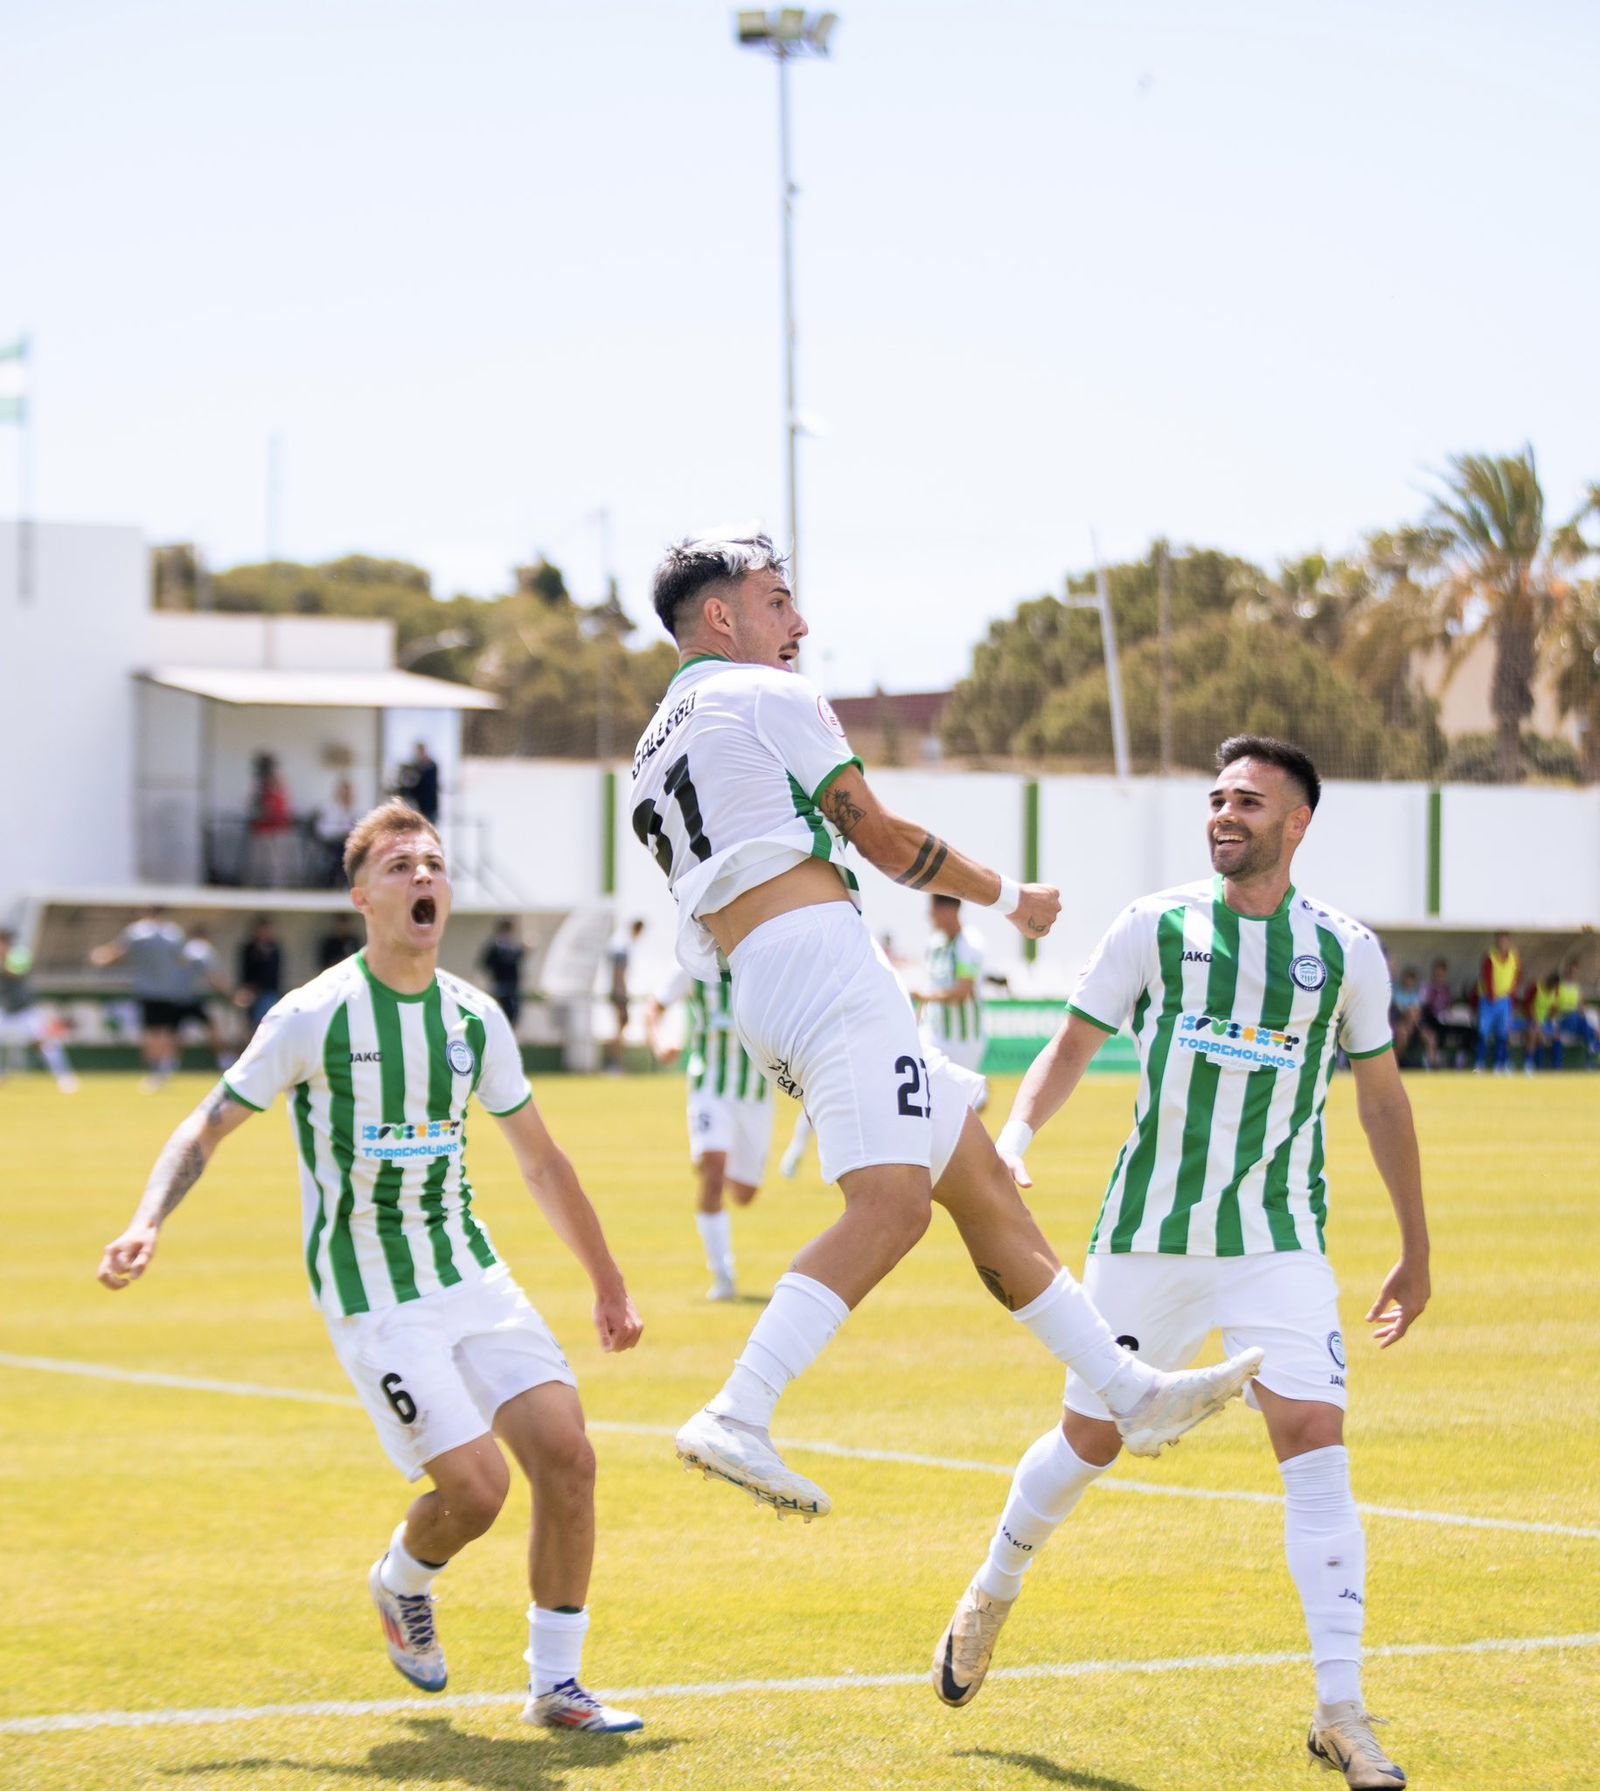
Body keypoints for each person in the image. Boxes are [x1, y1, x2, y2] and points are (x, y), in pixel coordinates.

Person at [630, 531, 1260, 1522]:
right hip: (819, 962)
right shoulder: (765, 694)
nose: (799, 623)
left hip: (762, 978)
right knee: (891, 1208)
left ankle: (1129, 1392)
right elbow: (881, 839)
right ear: (720, 615)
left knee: (980, 1185)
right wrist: (1012, 897)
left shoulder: (649, 745)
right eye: (778, 601)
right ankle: (738, 1410)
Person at [932, 736, 1430, 1791]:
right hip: (1146, 1236)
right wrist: (1014, 1136)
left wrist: (1415, 1246)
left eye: (1247, 801)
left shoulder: (1345, 952)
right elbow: (1070, 1046)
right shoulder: (1153, 927)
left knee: (1315, 1437)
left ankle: (1341, 1710)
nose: (1224, 814)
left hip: (1278, 1239)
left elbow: (1382, 1098)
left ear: (1296, 822)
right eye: (1216, 799)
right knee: (1089, 1440)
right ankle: (993, 1587)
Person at [97, 800, 646, 1734]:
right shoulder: (311, 1015)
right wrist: (147, 1219)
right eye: (400, 867)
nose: (423, 876)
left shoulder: (474, 1017)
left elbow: (542, 1162)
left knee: (569, 1457)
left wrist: (607, 1279)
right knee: (478, 1490)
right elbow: (207, 1124)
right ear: (363, 897)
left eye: (433, 864)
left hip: (470, 1272)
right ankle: (402, 1579)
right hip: (373, 1293)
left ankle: (557, 1688)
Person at [644, 966, 774, 1300]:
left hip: (755, 1093)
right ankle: (723, 1276)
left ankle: (714, 1157)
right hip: (709, 1087)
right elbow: (654, 1007)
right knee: (713, 1175)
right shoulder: (693, 965)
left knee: (744, 1193)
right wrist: (660, 1043)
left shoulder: (764, 962)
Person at [90, 905, 194, 1089]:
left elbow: (117, 953)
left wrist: (99, 957)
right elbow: (184, 960)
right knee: (168, 1032)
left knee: (152, 1033)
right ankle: (166, 1069)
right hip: (172, 991)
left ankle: (155, 1071)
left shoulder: (137, 932)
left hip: (148, 991)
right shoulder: (174, 933)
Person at [916, 894, 989, 1106]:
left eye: (934, 909)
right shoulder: (934, 945)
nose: (930, 915)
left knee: (957, 1105)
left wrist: (926, 997)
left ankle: (979, 1096)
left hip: (964, 1039)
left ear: (949, 910)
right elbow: (930, 984)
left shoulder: (970, 944)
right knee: (925, 1090)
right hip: (934, 1033)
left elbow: (963, 991)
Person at [0, 929, 78, 1092]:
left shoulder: (19, 955)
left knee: (44, 1043)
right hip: (5, 1010)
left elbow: (14, 972)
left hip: (24, 1011)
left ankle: (64, 1077)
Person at [179, 924, 233, 1070]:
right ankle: (224, 1060)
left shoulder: (185, 949)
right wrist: (229, 994)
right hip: (196, 997)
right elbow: (213, 976)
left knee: (174, 1032)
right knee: (213, 1027)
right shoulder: (205, 949)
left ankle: (167, 1065)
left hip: (177, 996)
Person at [247, 753, 297, 887]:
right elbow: (253, 803)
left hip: (278, 826)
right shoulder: (258, 783)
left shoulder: (278, 781)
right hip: (262, 827)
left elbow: (281, 802)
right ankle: (257, 888)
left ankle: (277, 888)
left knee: (277, 862)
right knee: (260, 862)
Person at [602, 919, 644, 1074]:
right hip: (619, 994)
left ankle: (613, 1064)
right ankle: (612, 1064)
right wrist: (622, 994)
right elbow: (618, 974)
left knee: (619, 1030)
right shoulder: (622, 948)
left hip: (618, 993)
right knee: (619, 1031)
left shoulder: (621, 945)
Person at [1474, 931, 1520, 1073]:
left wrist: (1512, 995)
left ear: (1509, 942)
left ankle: (1500, 1064)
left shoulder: (1514, 957)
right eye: (1500, 941)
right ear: (1496, 942)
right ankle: (1479, 1063)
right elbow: (1486, 977)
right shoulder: (1490, 957)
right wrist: (1491, 995)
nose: (1503, 944)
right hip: (1488, 1000)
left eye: (1505, 941)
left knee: (1503, 1033)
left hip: (1505, 1000)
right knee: (1483, 1032)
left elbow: (1517, 976)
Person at [236, 916, 284, 1038]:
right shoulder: (249, 949)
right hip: (250, 993)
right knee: (249, 1026)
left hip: (268, 992)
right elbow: (245, 971)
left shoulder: (274, 949)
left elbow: (273, 973)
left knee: (266, 1024)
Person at [479, 919, 528, 1031]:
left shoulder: (513, 946)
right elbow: (487, 963)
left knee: (513, 1012)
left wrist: (524, 951)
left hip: (512, 985)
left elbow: (516, 961)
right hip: (500, 983)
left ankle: (509, 1032)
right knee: (501, 1011)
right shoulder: (494, 947)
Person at [313, 778, 362, 885]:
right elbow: (323, 831)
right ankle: (337, 881)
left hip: (349, 843)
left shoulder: (356, 810)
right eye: (345, 793)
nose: (347, 796)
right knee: (341, 852)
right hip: (332, 843)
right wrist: (341, 831)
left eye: (349, 793)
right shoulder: (330, 809)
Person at [1389, 966, 1424, 1067]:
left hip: (1412, 1024)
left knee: (1429, 1036)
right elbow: (1399, 1010)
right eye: (1407, 979)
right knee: (1403, 1033)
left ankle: (1433, 1066)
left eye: (1411, 980)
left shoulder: (1415, 995)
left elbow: (1418, 1011)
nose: (1409, 982)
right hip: (1398, 1021)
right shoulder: (1397, 992)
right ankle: (1394, 1064)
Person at [398, 742, 440, 824]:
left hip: (430, 805)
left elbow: (429, 785)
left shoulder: (431, 766)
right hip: (419, 805)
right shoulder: (416, 766)